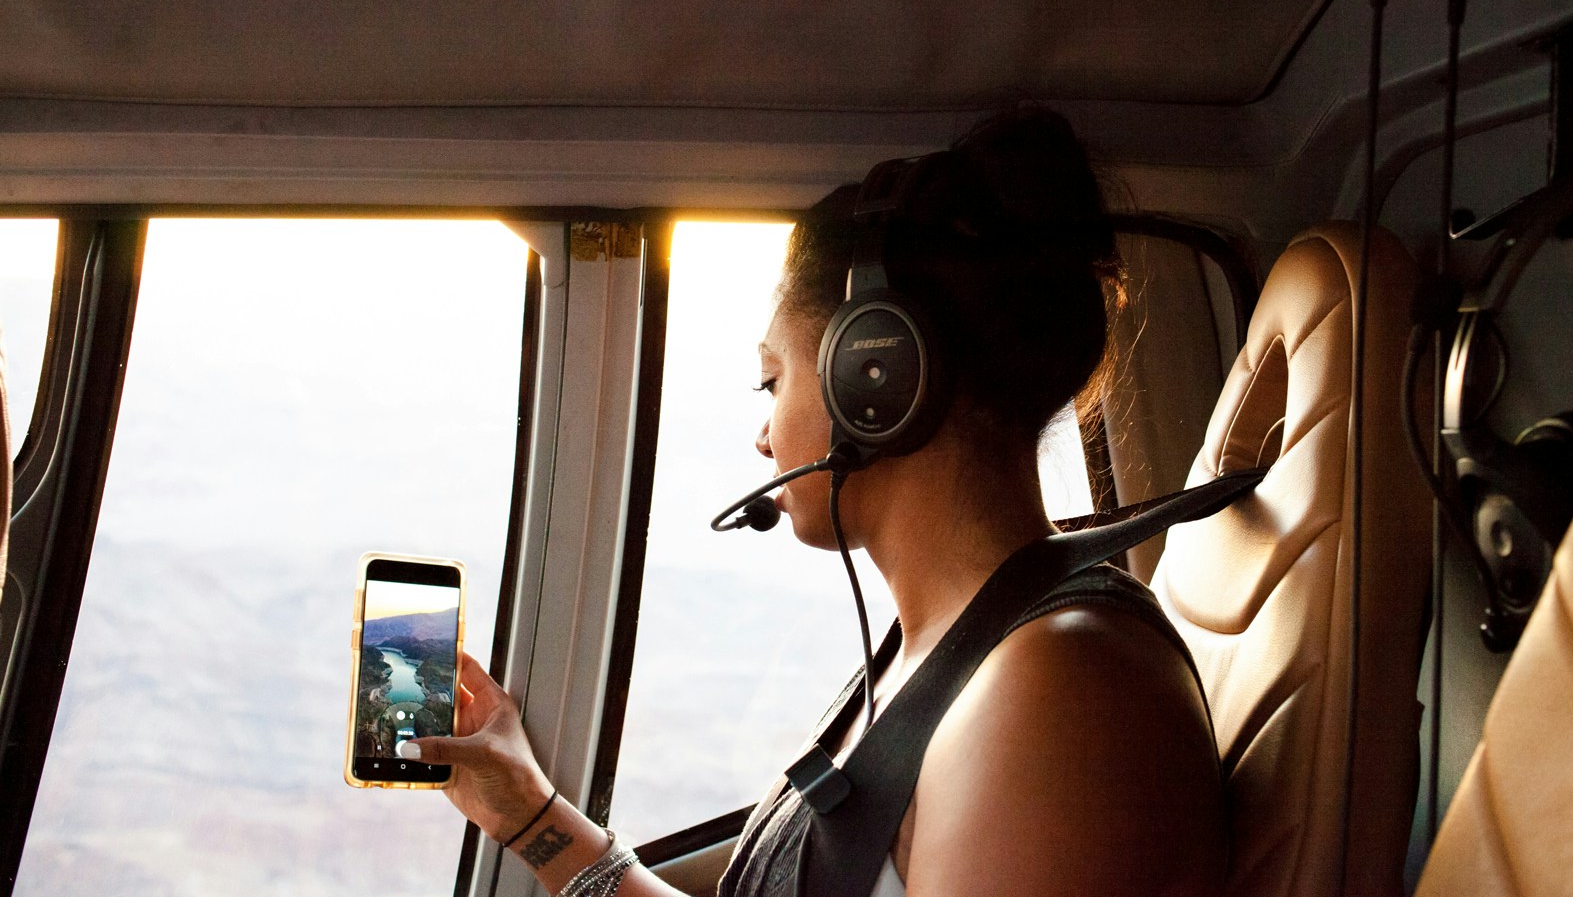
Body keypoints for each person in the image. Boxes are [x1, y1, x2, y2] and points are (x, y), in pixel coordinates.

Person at [404, 107, 1228, 897]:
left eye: (774, 381)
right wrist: (528, 814)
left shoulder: (1056, 695)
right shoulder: (938, 652)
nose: (764, 438)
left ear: (877, 376)